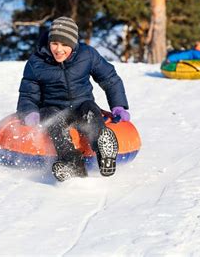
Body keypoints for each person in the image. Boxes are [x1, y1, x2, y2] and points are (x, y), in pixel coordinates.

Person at [16, 16, 130, 182]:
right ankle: (71, 162)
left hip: (81, 106)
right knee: (51, 118)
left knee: (91, 110)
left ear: (74, 44)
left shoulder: (87, 55)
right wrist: (29, 112)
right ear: (49, 42)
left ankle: (104, 150)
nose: (59, 49)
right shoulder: (36, 63)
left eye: (65, 44)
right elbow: (28, 94)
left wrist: (118, 106)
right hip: (54, 109)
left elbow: (110, 78)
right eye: (54, 43)